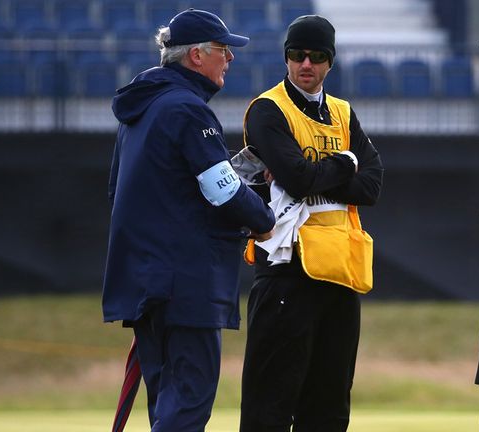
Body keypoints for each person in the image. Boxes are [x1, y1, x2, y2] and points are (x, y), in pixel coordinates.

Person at [102, 9, 275, 431]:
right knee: (189, 403)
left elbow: (119, 192)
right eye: (223, 50)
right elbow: (222, 191)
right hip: (187, 283)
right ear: (196, 56)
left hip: (147, 282)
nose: (230, 59)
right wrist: (265, 220)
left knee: (166, 403)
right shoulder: (187, 109)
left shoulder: (139, 111)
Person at [238, 15, 383, 432]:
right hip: (287, 270)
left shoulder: (342, 111)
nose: (306, 64)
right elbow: (299, 181)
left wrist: (315, 170)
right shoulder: (269, 109)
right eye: (297, 55)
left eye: (317, 56)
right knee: (270, 403)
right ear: (285, 58)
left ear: (330, 63)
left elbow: (372, 187)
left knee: (330, 406)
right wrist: (345, 162)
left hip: (339, 270)